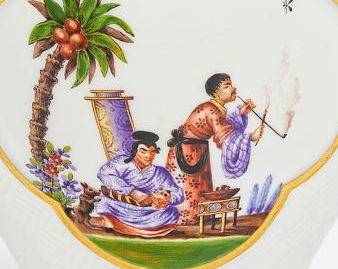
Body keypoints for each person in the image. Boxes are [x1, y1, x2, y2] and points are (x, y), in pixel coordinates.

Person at [166, 73, 265, 222]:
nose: (234, 88)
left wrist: (240, 113)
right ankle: (185, 219)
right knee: (186, 189)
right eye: (227, 86)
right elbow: (225, 136)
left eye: (231, 85)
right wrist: (250, 138)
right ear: (216, 93)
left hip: (197, 150)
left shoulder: (215, 109)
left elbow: (224, 126)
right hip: (186, 153)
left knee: (198, 190)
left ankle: (199, 218)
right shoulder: (211, 109)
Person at [90, 131, 185, 239]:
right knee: (106, 202)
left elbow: (177, 193)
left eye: (152, 152)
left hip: (149, 211)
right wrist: (132, 192)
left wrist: (167, 200)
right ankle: (120, 225)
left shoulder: (161, 172)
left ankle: (142, 229)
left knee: (172, 212)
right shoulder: (122, 163)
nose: (148, 156)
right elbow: (104, 174)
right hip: (121, 206)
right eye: (143, 151)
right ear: (135, 151)